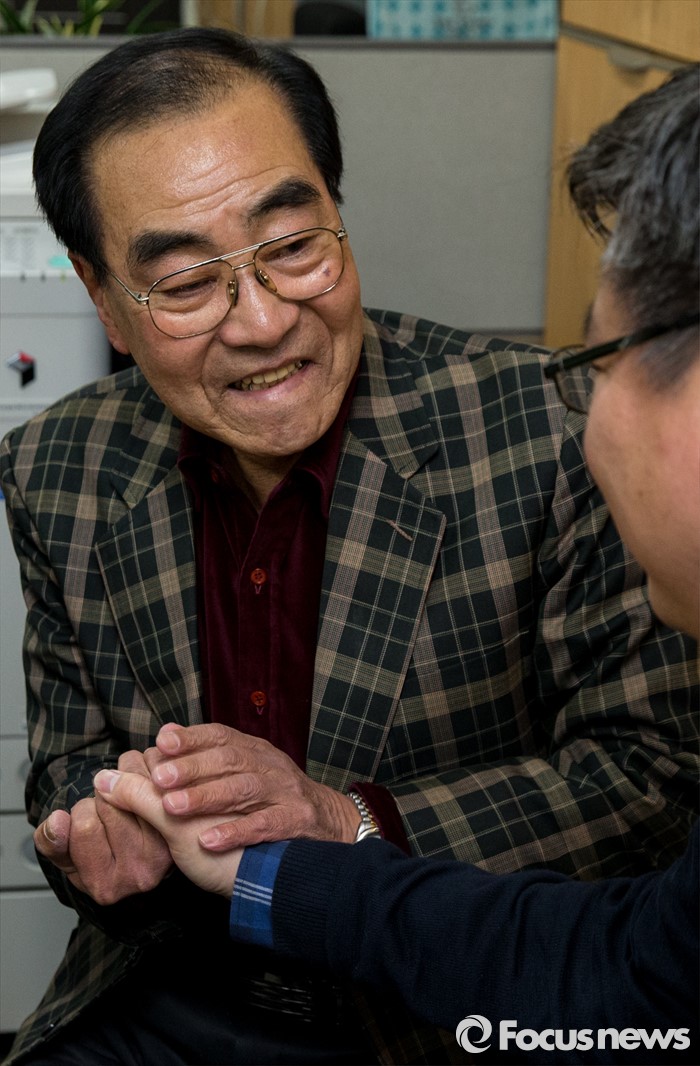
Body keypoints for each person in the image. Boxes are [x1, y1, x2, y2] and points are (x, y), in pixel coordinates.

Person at [0, 27, 696, 1066]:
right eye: (185, 283)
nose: (260, 321)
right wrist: (99, 829)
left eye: (292, 247)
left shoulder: (547, 431)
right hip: (172, 982)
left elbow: (655, 778)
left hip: (435, 1006)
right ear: (104, 300)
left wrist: (348, 820)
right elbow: (69, 763)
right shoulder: (55, 465)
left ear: (338, 212)